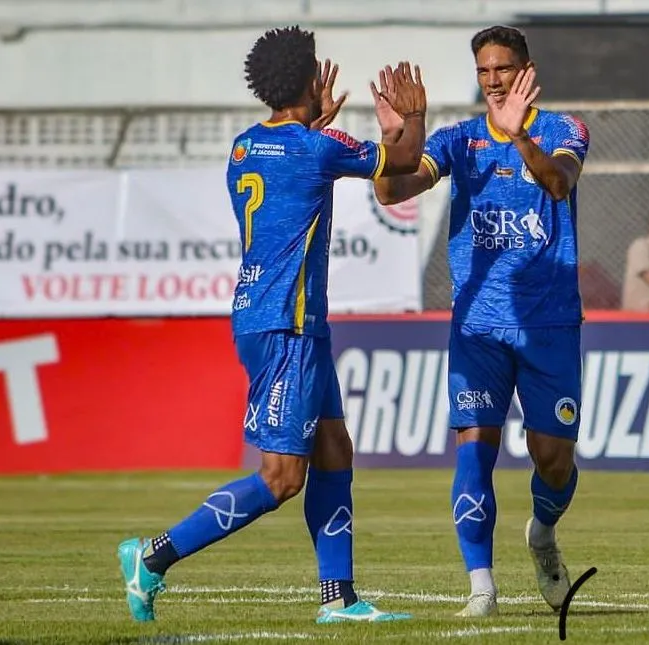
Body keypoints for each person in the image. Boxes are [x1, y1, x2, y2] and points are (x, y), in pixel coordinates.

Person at [117, 26, 428, 624]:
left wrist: (312, 123)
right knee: (282, 477)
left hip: (271, 318)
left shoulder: (243, 147)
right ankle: (153, 557)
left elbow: (289, 171)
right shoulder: (319, 147)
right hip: (288, 323)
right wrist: (412, 116)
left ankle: (338, 599)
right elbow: (406, 159)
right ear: (309, 81)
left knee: (334, 449)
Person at [373, 26, 589, 617]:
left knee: (554, 459)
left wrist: (521, 139)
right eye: (484, 71)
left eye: (503, 70)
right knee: (474, 449)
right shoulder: (458, 141)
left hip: (549, 325)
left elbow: (559, 182)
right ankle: (481, 589)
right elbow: (393, 192)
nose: (493, 81)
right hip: (477, 326)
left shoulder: (564, 130)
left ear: (526, 70)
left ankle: (542, 533)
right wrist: (398, 138)